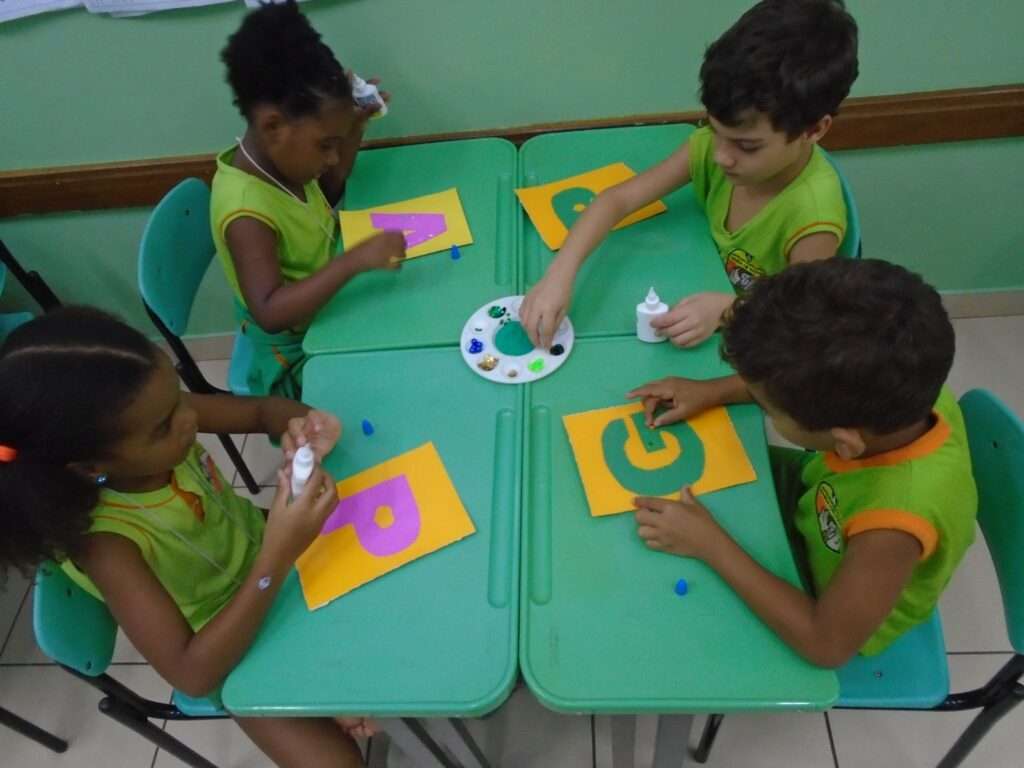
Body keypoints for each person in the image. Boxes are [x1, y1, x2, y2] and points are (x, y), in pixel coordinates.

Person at [0, 307, 371, 766]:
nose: (189, 418)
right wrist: (277, 556)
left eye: (177, 397)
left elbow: (262, 411)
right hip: (224, 643)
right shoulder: (105, 544)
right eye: (164, 425)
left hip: (274, 558)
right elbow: (191, 672)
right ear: (92, 467)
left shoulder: (162, 416)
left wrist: (305, 426)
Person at [627, 260, 976, 666]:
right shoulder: (904, 387)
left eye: (768, 409)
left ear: (844, 443)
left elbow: (826, 646)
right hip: (820, 501)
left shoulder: (894, 523)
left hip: (829, 609)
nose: (764, 410)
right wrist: (712, 391)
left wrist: (710, 545)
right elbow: (797, 377)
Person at [521, 0, 858, 350]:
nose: (721, 155)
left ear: (814, 130)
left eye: (747, 146)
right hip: (698, 281)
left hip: (753, 340)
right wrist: (558, 276)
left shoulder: (814, 217)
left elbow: (801, 315)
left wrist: (727, 310)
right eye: (713, 129)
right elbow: (617, 200)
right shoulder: (716, 148)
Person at [214, 0, 405, 398]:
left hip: (327, 311)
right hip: (295, 357)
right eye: (325, 145)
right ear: (273, 126)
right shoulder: (246, 212)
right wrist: (354, 261)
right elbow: (270, 311)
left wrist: (354, 128)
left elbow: (330, 188)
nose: (331, 158)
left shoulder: (285, 161)